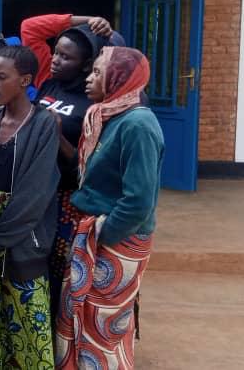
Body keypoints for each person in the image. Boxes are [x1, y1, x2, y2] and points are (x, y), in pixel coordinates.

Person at [55, 47, 163, 370]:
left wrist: (102, 235)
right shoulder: (105, 115)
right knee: (81, 312)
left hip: (117, 239)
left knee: (103, 322)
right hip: (94, 231)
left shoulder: (138, 124)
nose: (89, 79)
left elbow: (138, 201)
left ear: (119, 79)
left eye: (98, 73)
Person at [0, 46, 60, 369]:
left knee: (28, 326)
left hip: (21, 240)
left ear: (25, 80)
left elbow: (35, 193)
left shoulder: (43, 125)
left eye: (1, 77)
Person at [20, 13, 118, 317]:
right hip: (38, 192)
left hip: (67, 199)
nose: (56, 61)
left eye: (66, 57)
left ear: (87, 65)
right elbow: (30, 28)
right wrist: (88, 20)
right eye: (56, 53)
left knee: (60, 269)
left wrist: (59, 136)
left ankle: (59, 328)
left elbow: (90, 167)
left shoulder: (96, 102)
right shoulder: (47, 81)